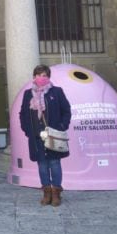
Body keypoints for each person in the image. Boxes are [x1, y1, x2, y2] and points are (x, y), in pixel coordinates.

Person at [19, 64, 72, 207]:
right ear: (34, 77)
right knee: (42, 164)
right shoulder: (28, 94)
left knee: (54, 163)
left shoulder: (56, 92)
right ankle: (46, 192)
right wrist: (27, 130)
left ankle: (56, 192)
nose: (42, 78)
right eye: (39, 75)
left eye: (45, 75)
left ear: (48, 77)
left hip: (53, 135)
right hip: (37, 136)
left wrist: (61, 126)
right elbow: (23, 114)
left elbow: (66, 111)